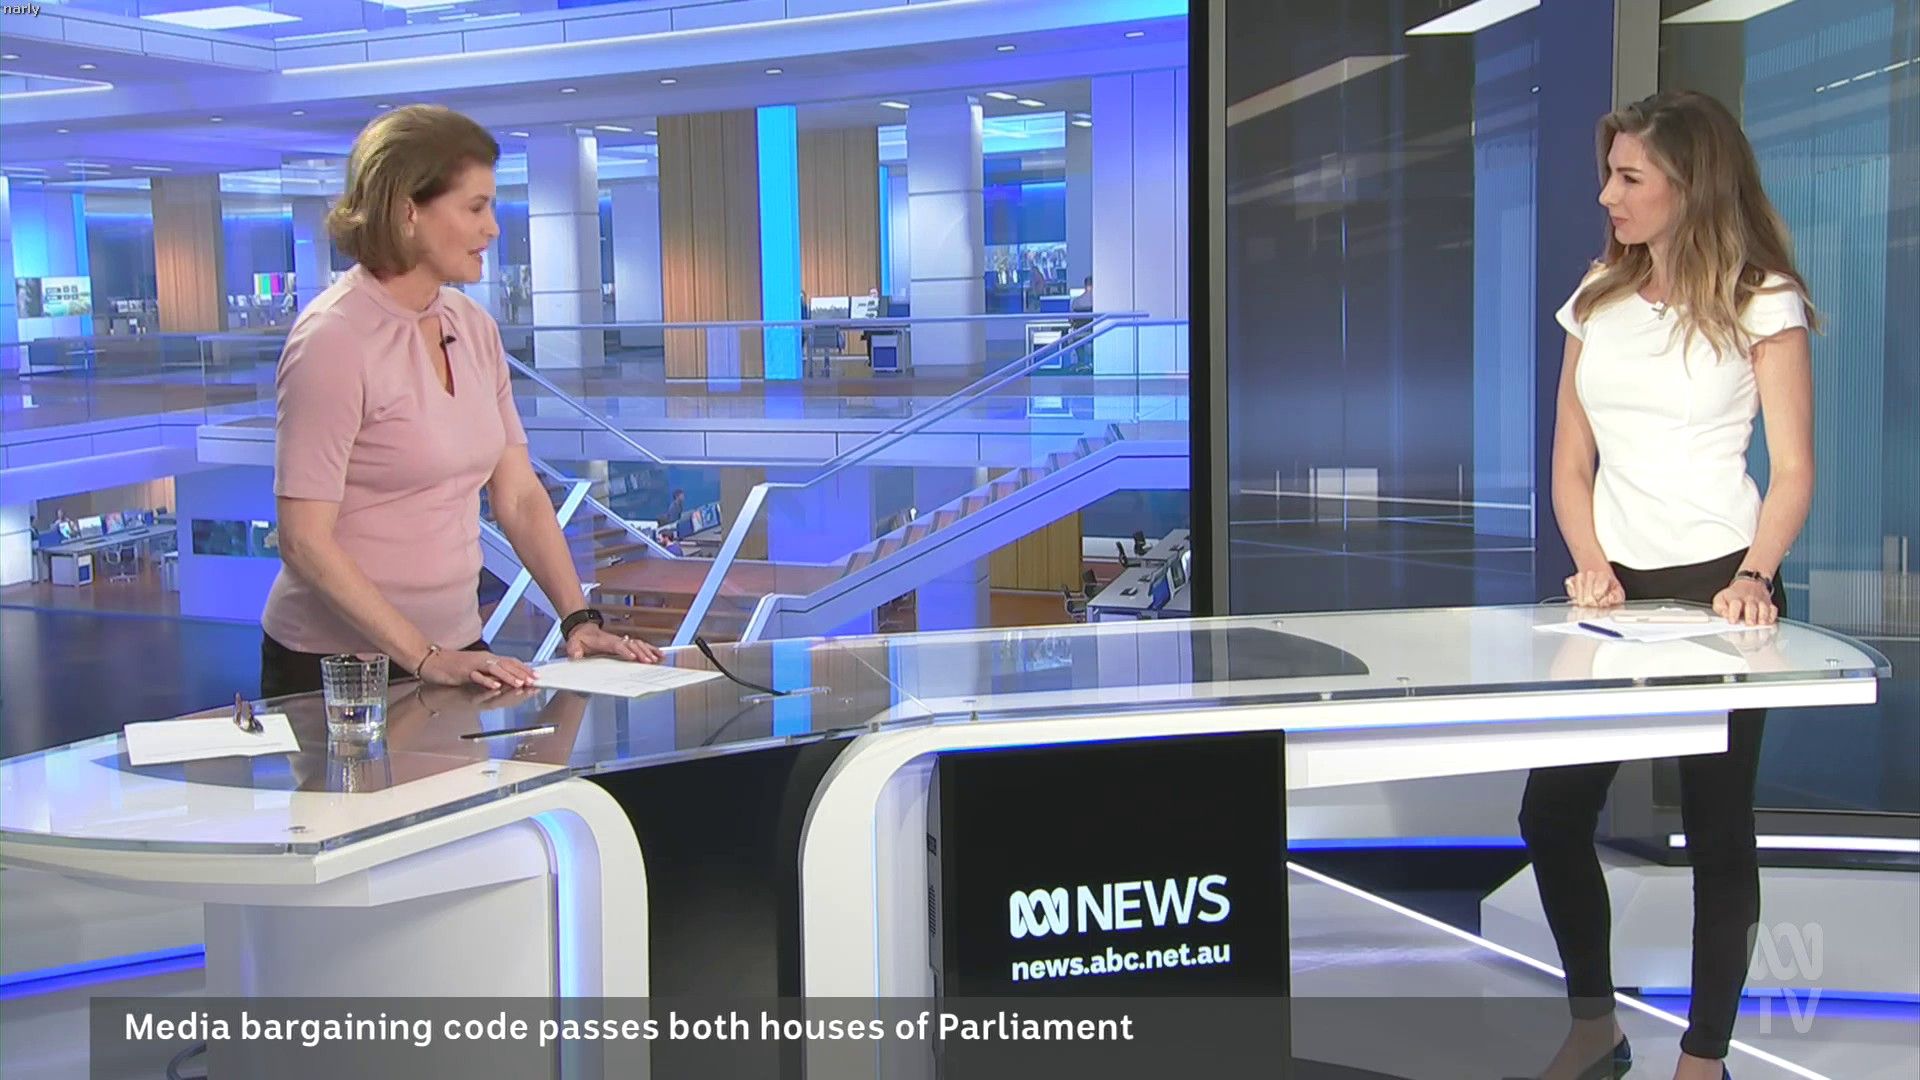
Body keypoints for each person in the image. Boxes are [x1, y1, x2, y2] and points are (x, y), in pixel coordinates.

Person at [1523, 90, 1815, 1080]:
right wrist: (1590, 560)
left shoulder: (1762, 299)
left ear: (1692, 185)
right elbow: (1570, 459)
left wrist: (1755, 575)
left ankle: (1703, 1059)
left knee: (1717, 830)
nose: (1608, 195)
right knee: (1552, 814)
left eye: (1629, 177)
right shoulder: (1597, 294)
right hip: (1610, 595)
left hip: (1721, 584)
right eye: (1609, 175)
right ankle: (1594, 1028)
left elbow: (1794, 468)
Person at [261, 105, 662, 699]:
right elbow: (303, 540)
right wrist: (423, 657)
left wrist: (577, 618)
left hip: (454, 646)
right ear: (408, 211)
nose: (493, 228)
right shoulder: (333, 339)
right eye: (475, 208)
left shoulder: (473, 326)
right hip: (339, 666)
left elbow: (518, 495)